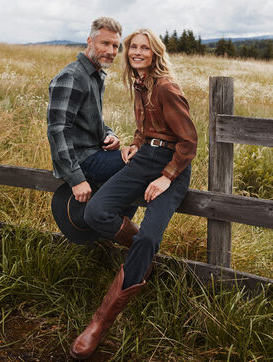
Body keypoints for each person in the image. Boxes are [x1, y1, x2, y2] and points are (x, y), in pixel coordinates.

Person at [70, 28, 198, 360]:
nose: (137, 52)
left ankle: (99, 323)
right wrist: (137, 142)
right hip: (144, 160)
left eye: (144, 48)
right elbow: (147, 128)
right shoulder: (140, 84)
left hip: (172, 166)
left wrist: (168, 176)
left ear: (155, 52)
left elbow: (188, 141)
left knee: (146, 239)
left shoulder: (166, 87)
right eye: (133, 48)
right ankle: (142, 256)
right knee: (95, 212)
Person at [47, 17, 137, 246]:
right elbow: (58, 130)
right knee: (141, 164)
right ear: (89, 41)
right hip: (82, 160)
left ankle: (106, 223)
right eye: (104, 43)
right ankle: (128, 235)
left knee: (141, 159)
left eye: (115, 46)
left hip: (95, 152)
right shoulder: (72, 76)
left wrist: (110, 134)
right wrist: (76, 179)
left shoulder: (95, 76)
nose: (110, 51)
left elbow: (92, 121)